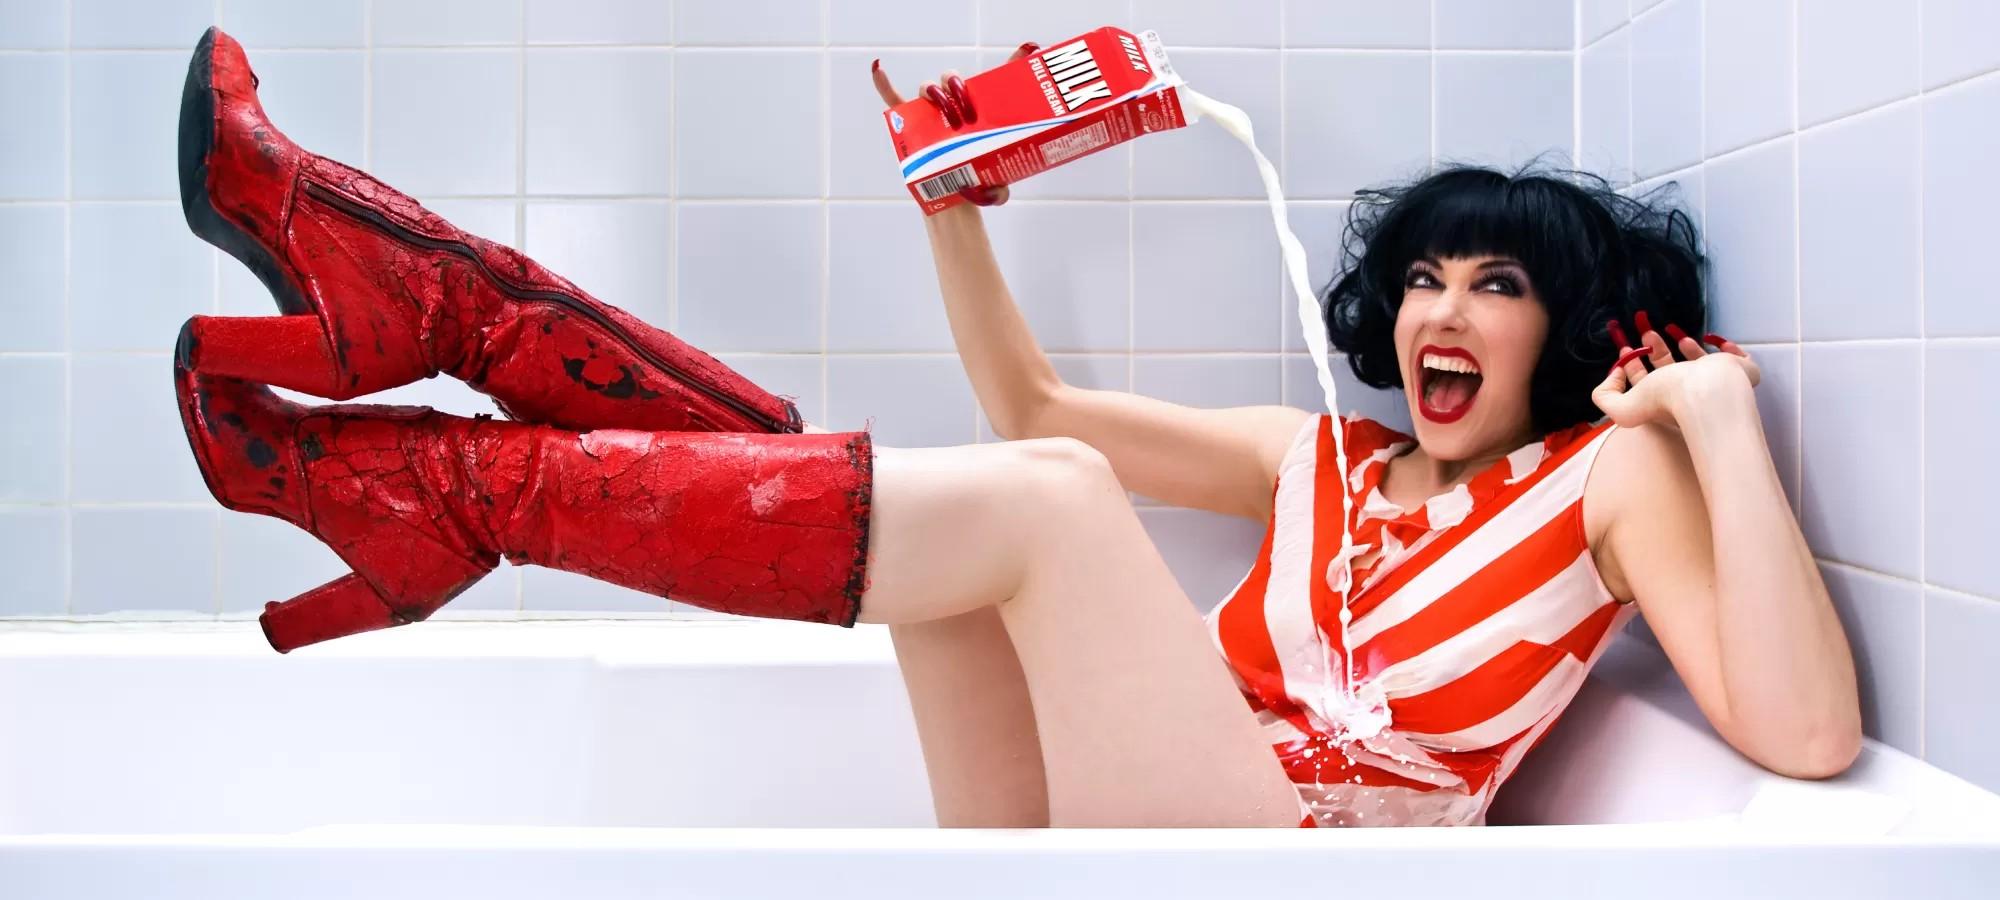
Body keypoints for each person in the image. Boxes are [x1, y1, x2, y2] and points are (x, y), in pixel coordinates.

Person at [171, 27, 1860, 830]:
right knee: (968, 504)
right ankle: (448, 327)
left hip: (1305, 870)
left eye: (1497, 286)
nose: (1442, 312)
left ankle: (445, 455)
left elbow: (1807, 742)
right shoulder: (1319, 462)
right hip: (1149, 837)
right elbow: (1032, 410)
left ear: (1566, 330)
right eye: (1425, 276)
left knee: (1044, 503)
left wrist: (1716, 421)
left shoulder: (1602, 478)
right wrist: (952, 213)